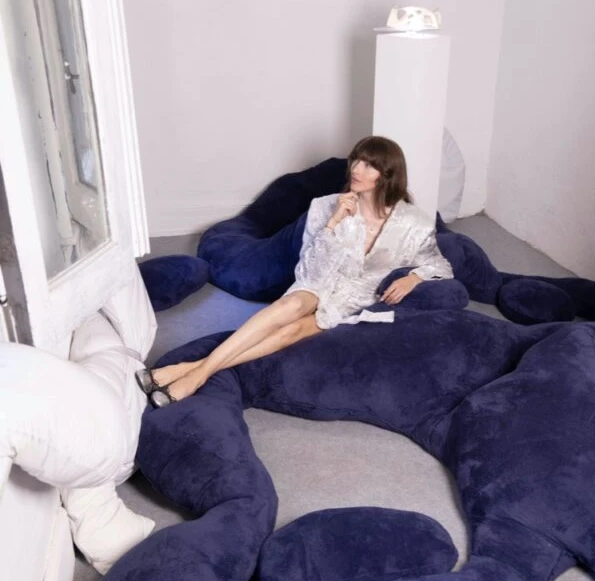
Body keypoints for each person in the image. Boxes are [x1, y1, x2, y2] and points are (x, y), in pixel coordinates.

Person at [137, 136, 454, 406]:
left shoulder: (413, 223)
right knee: (290, 305)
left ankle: (188, 370)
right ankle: (196, 378)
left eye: (368, 165)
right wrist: (333, 224)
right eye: (356, 161)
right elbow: (311, 268)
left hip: (356, 299)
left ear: (387, 174)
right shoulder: (325, 206)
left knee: (290, 332)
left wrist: (414, 277)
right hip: (320, 280)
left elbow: (441, 265)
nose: (356, 169)